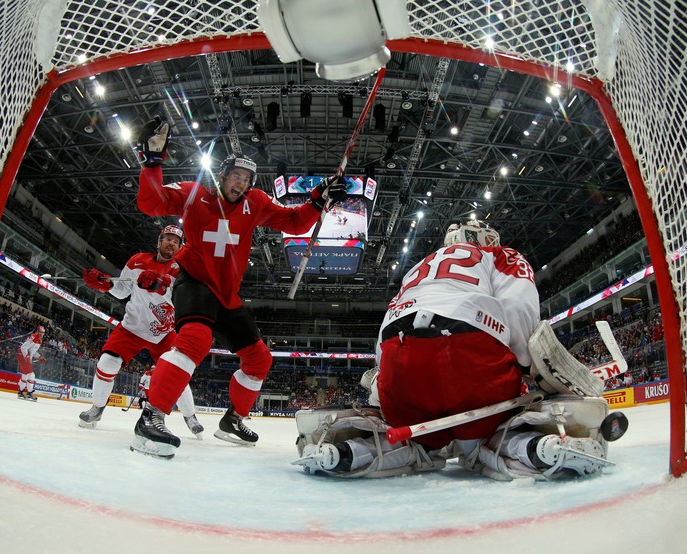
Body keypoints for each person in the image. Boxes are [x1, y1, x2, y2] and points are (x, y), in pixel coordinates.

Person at [292, 221, 614, 479]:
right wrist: (522, 364)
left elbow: (385, 334)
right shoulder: (500, 255)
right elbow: (518, 307)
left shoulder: (420, 265)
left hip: (399, 360)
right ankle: (535, 446)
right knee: (482, 441)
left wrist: (386, 387)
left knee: (418, 441)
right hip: (468, 355)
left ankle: (351, 452)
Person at [130, 117, 347, 458]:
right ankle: (151, 417)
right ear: (223, 175)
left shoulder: (256, 202)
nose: (240, 184)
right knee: (195, 341)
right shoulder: (194, 194)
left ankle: (232, 420)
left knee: (259, 358)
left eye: (246, 180)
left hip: (226, 295)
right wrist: (153, 162)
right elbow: (151, 203)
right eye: (235, 176)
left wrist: (319, 199)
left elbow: (293, 222)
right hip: (195, 280)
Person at [77, 226, 204, 438]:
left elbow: (184, 303)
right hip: (131, 327)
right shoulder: (136, 261)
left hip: (162, 333)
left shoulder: (183, 271)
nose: (171, 243)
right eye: (167, 239)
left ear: (180, 247)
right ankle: (97, 408)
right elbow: (122, 291)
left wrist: (160, 287)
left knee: (178, 373)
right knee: (107, 362)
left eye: (176, 241)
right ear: (159, 241)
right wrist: (105, 284)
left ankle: (190, 416)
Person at [17, 325, 46, 401]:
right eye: (40, 332)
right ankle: (29, 392)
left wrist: (39, 357)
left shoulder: (40, 341)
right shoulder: (33, 337)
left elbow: (33, 351)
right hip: (23, 356)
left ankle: (21, 392)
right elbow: (23, 347)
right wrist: (26, 356)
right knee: (31, 375)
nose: (41, 334)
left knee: (25, 375)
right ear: (37, 331)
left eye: (43, 333)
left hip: (26, 357)